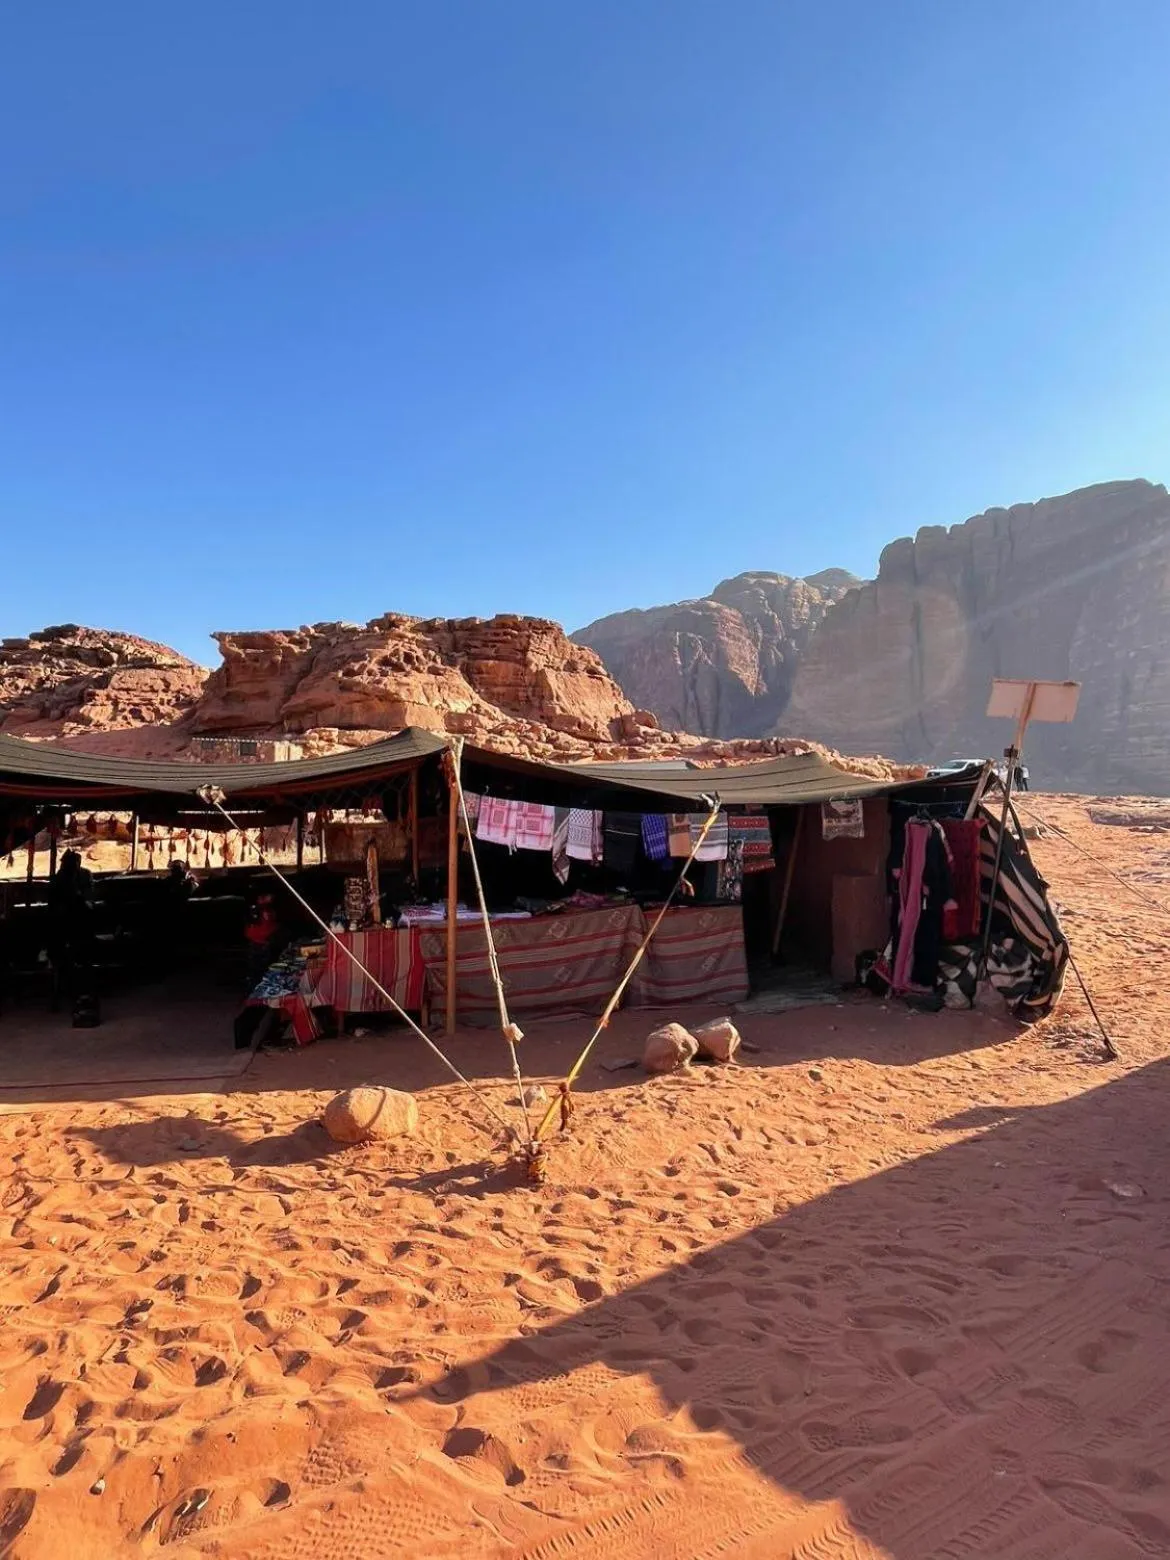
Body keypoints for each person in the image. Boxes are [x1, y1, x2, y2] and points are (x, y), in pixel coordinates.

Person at [47, 849, 97, 1016]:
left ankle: (77, 994)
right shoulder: (62, 879)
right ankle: (75, 994)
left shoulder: (78, 877)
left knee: (73, 961)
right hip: (65, 928)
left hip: (70, 927)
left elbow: (86, 902)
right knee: (69, 961)